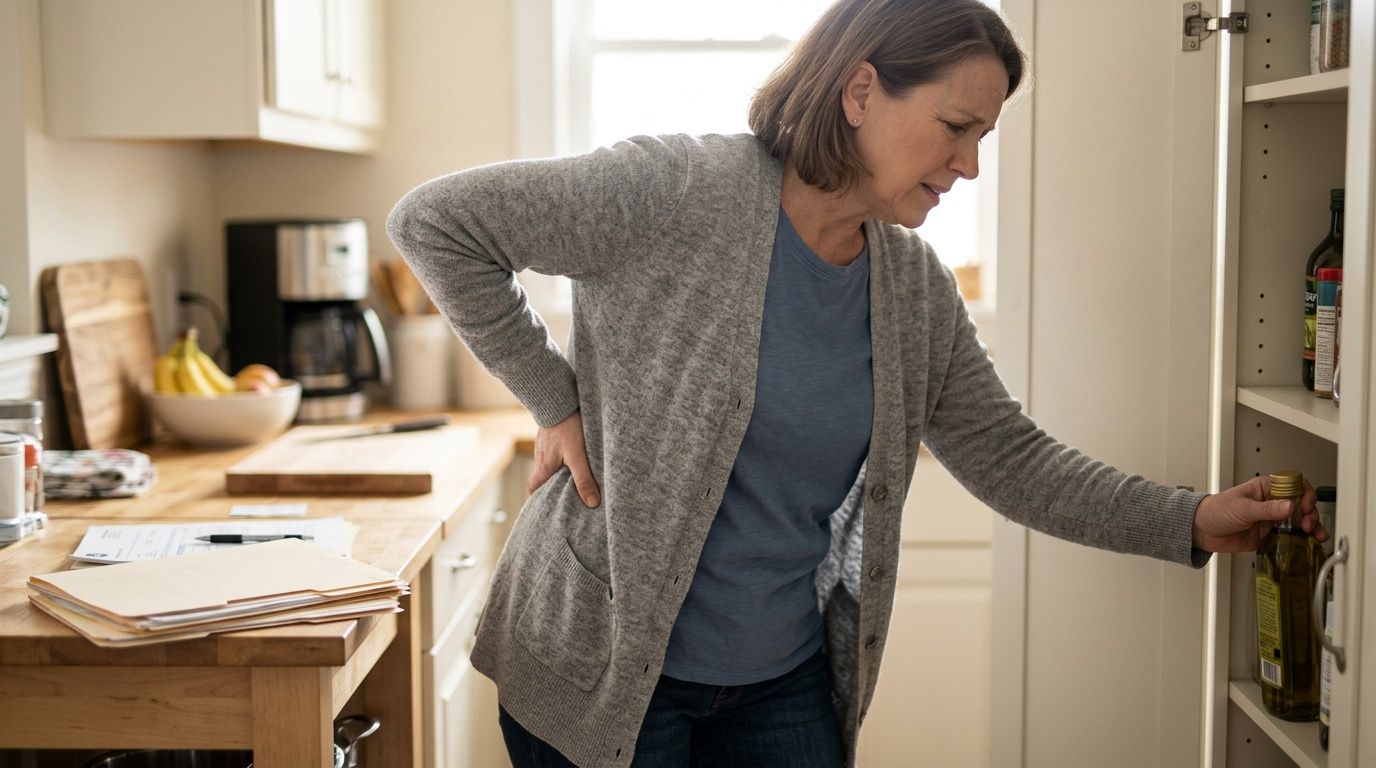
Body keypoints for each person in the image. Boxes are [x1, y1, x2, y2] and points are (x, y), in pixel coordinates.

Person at [387, 1, 1327, 765]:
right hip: (597, 665)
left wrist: (1190, 519)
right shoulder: (675, 191)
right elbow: (437, 223)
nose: (968, 164)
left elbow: (1011, 459)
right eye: (956, 127)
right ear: (861, 90)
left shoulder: (912, 290)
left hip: (782, 683)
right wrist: (552, 399)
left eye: (984, 136)